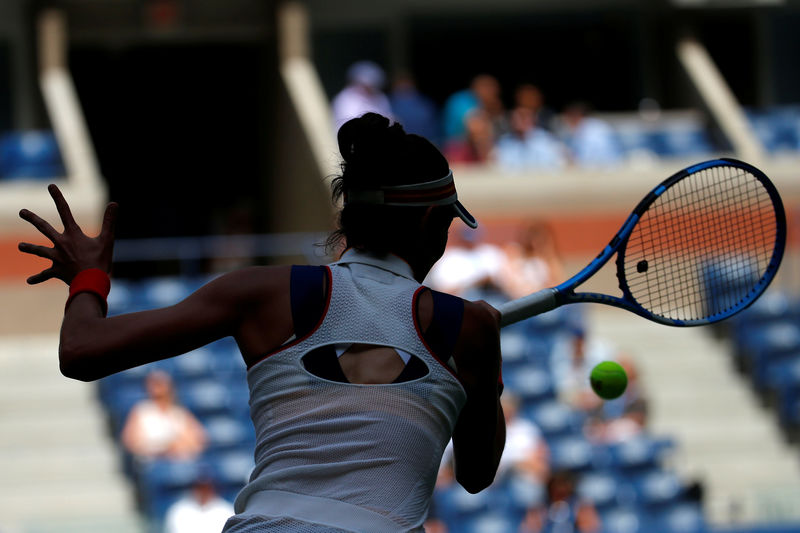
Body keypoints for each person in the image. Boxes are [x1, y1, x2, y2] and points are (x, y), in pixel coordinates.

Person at [18, 112, 505, 532]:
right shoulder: (471, 329)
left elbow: (82, 350)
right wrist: (487, 377)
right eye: (445, 224)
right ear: (427, 224)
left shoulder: (258, 293)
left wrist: (90, 278)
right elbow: (477, 474)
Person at [120, 370, 208, 462]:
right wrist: (162, 448)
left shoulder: (179, 412)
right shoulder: (141, 410)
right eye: (154, 383)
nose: (157, 387)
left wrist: (178, 446)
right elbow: (131, 442)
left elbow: (198, 440)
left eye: (160, 383)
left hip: (180, 461)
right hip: (153, 462)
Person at [331, 61, 394, 131]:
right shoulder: (344, 99)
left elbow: (388, 118)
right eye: (365, 85)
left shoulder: (380, 96)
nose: (369, 89)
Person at [164, 474, 236, 533]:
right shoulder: (178, 509)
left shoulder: (226, 510)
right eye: (199, 487)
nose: (203, 491)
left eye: (207, 487)